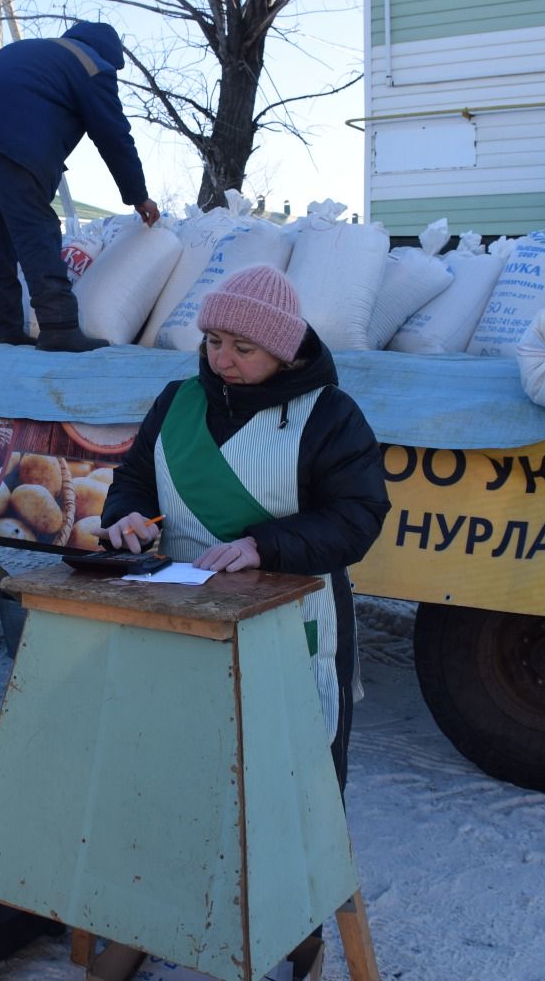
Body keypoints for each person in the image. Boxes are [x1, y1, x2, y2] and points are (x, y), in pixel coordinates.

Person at [99, 266, 389, 792]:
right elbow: (136, 478)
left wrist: (265, 545)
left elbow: (358, 516)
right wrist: (127, 516)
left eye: (243, 347)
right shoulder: (176, 401)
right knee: (187, 768)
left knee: (289, 780)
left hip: (292, 619)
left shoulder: (329, 415)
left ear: (283, 351)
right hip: (181, 611)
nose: (221, 359)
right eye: (212, 341)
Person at [0, 19, 162, 353]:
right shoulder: (92, 66)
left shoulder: (32, 50)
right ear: (110, 56)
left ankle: (5, 329)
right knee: (37, 230)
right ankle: (59, 327)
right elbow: (113, 134)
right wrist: (137, 194)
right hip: (13, 137)